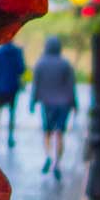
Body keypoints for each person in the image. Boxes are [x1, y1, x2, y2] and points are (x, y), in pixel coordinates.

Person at [30, 37, 78, 181]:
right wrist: (75, 104)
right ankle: (57, 163)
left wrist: (32, 102)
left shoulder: (40, 63)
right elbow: (71, 86)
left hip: (47, 103)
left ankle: (49, 156)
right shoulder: (65, 64)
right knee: (59, 133)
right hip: (64, 104)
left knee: (47, 132)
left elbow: (35, 85)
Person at [0, 39, 26, 150]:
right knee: (12, 112)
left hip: (0, 86)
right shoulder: (18, 51)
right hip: (13, 86)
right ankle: (10, 137)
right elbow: (21, 69)